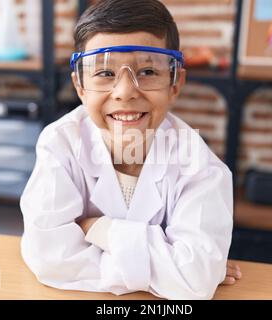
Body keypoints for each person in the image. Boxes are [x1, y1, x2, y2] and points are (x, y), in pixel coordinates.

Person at [20, 0, 241, 300]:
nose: (125, 92)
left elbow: (196, 279)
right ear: (80, 85)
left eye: (148, 70)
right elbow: (48, 257)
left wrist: (100, 229)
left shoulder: (200, 165)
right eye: (105, 74)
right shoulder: (60, 143)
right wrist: (168, 268)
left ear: (175, 83)